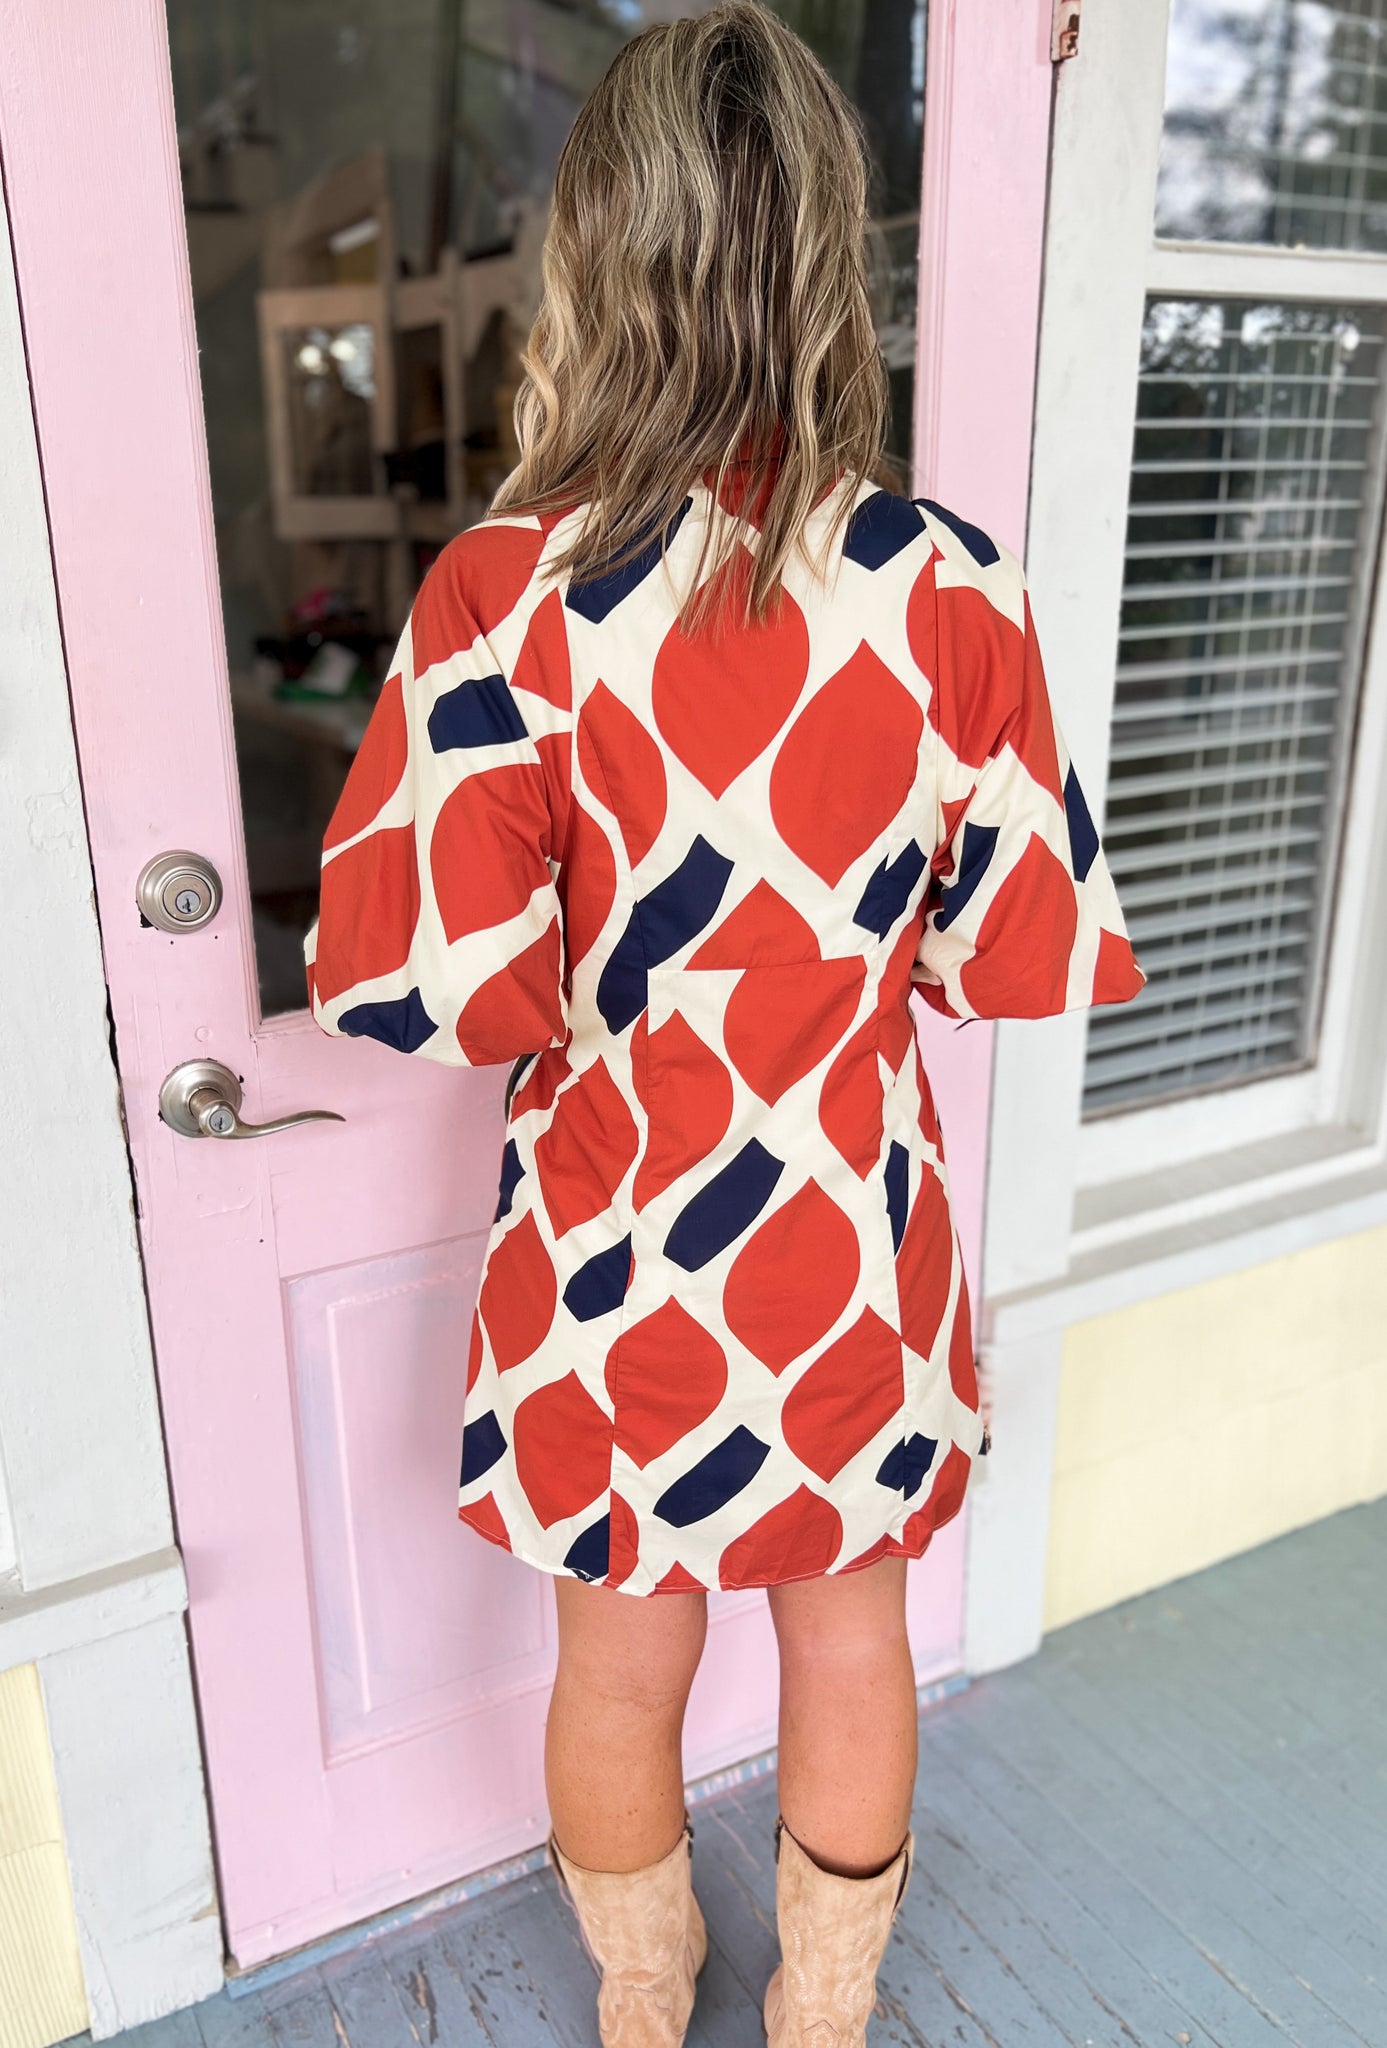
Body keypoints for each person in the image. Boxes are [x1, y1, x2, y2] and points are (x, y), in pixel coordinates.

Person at [305, 5, 1144, 2041]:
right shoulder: (957, 591)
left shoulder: (502, 599)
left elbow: (446, 983)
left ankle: (646, 1988)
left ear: (601, 248)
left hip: (616, 1231)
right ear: (828, 253)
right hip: (848, 1222)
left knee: (617, 1669)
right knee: (852, 1642)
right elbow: (999, 950)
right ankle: (823, 2013)